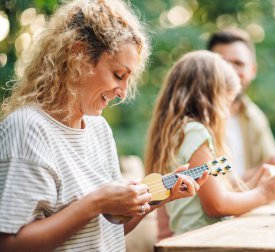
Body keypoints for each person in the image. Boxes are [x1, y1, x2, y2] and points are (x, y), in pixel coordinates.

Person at [0, 0, 207, 251]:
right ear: (79, 55)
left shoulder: (98, 128)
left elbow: (110, 228)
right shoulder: (27, 128)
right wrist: (95, 202)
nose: (122, 93)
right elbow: (10, 244)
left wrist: (160, 196)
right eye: (119, 75)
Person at [145, 50, 275, 236]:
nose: (227, 114)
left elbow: (221, 191)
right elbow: (217, 205)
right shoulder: (196, 133)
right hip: (200, 242)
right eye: (227, 103)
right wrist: (263, 194)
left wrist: (258, 181)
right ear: (208, 99)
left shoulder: (180, 133)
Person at [207, 28, 275, 182]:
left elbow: (270, 171)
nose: (229, 71)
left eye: (238, 63)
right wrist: (266, 168)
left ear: (252, 70)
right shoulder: (195, 117)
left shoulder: (254, 116)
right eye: (222, 63)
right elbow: (211, 185)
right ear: (207, 68)